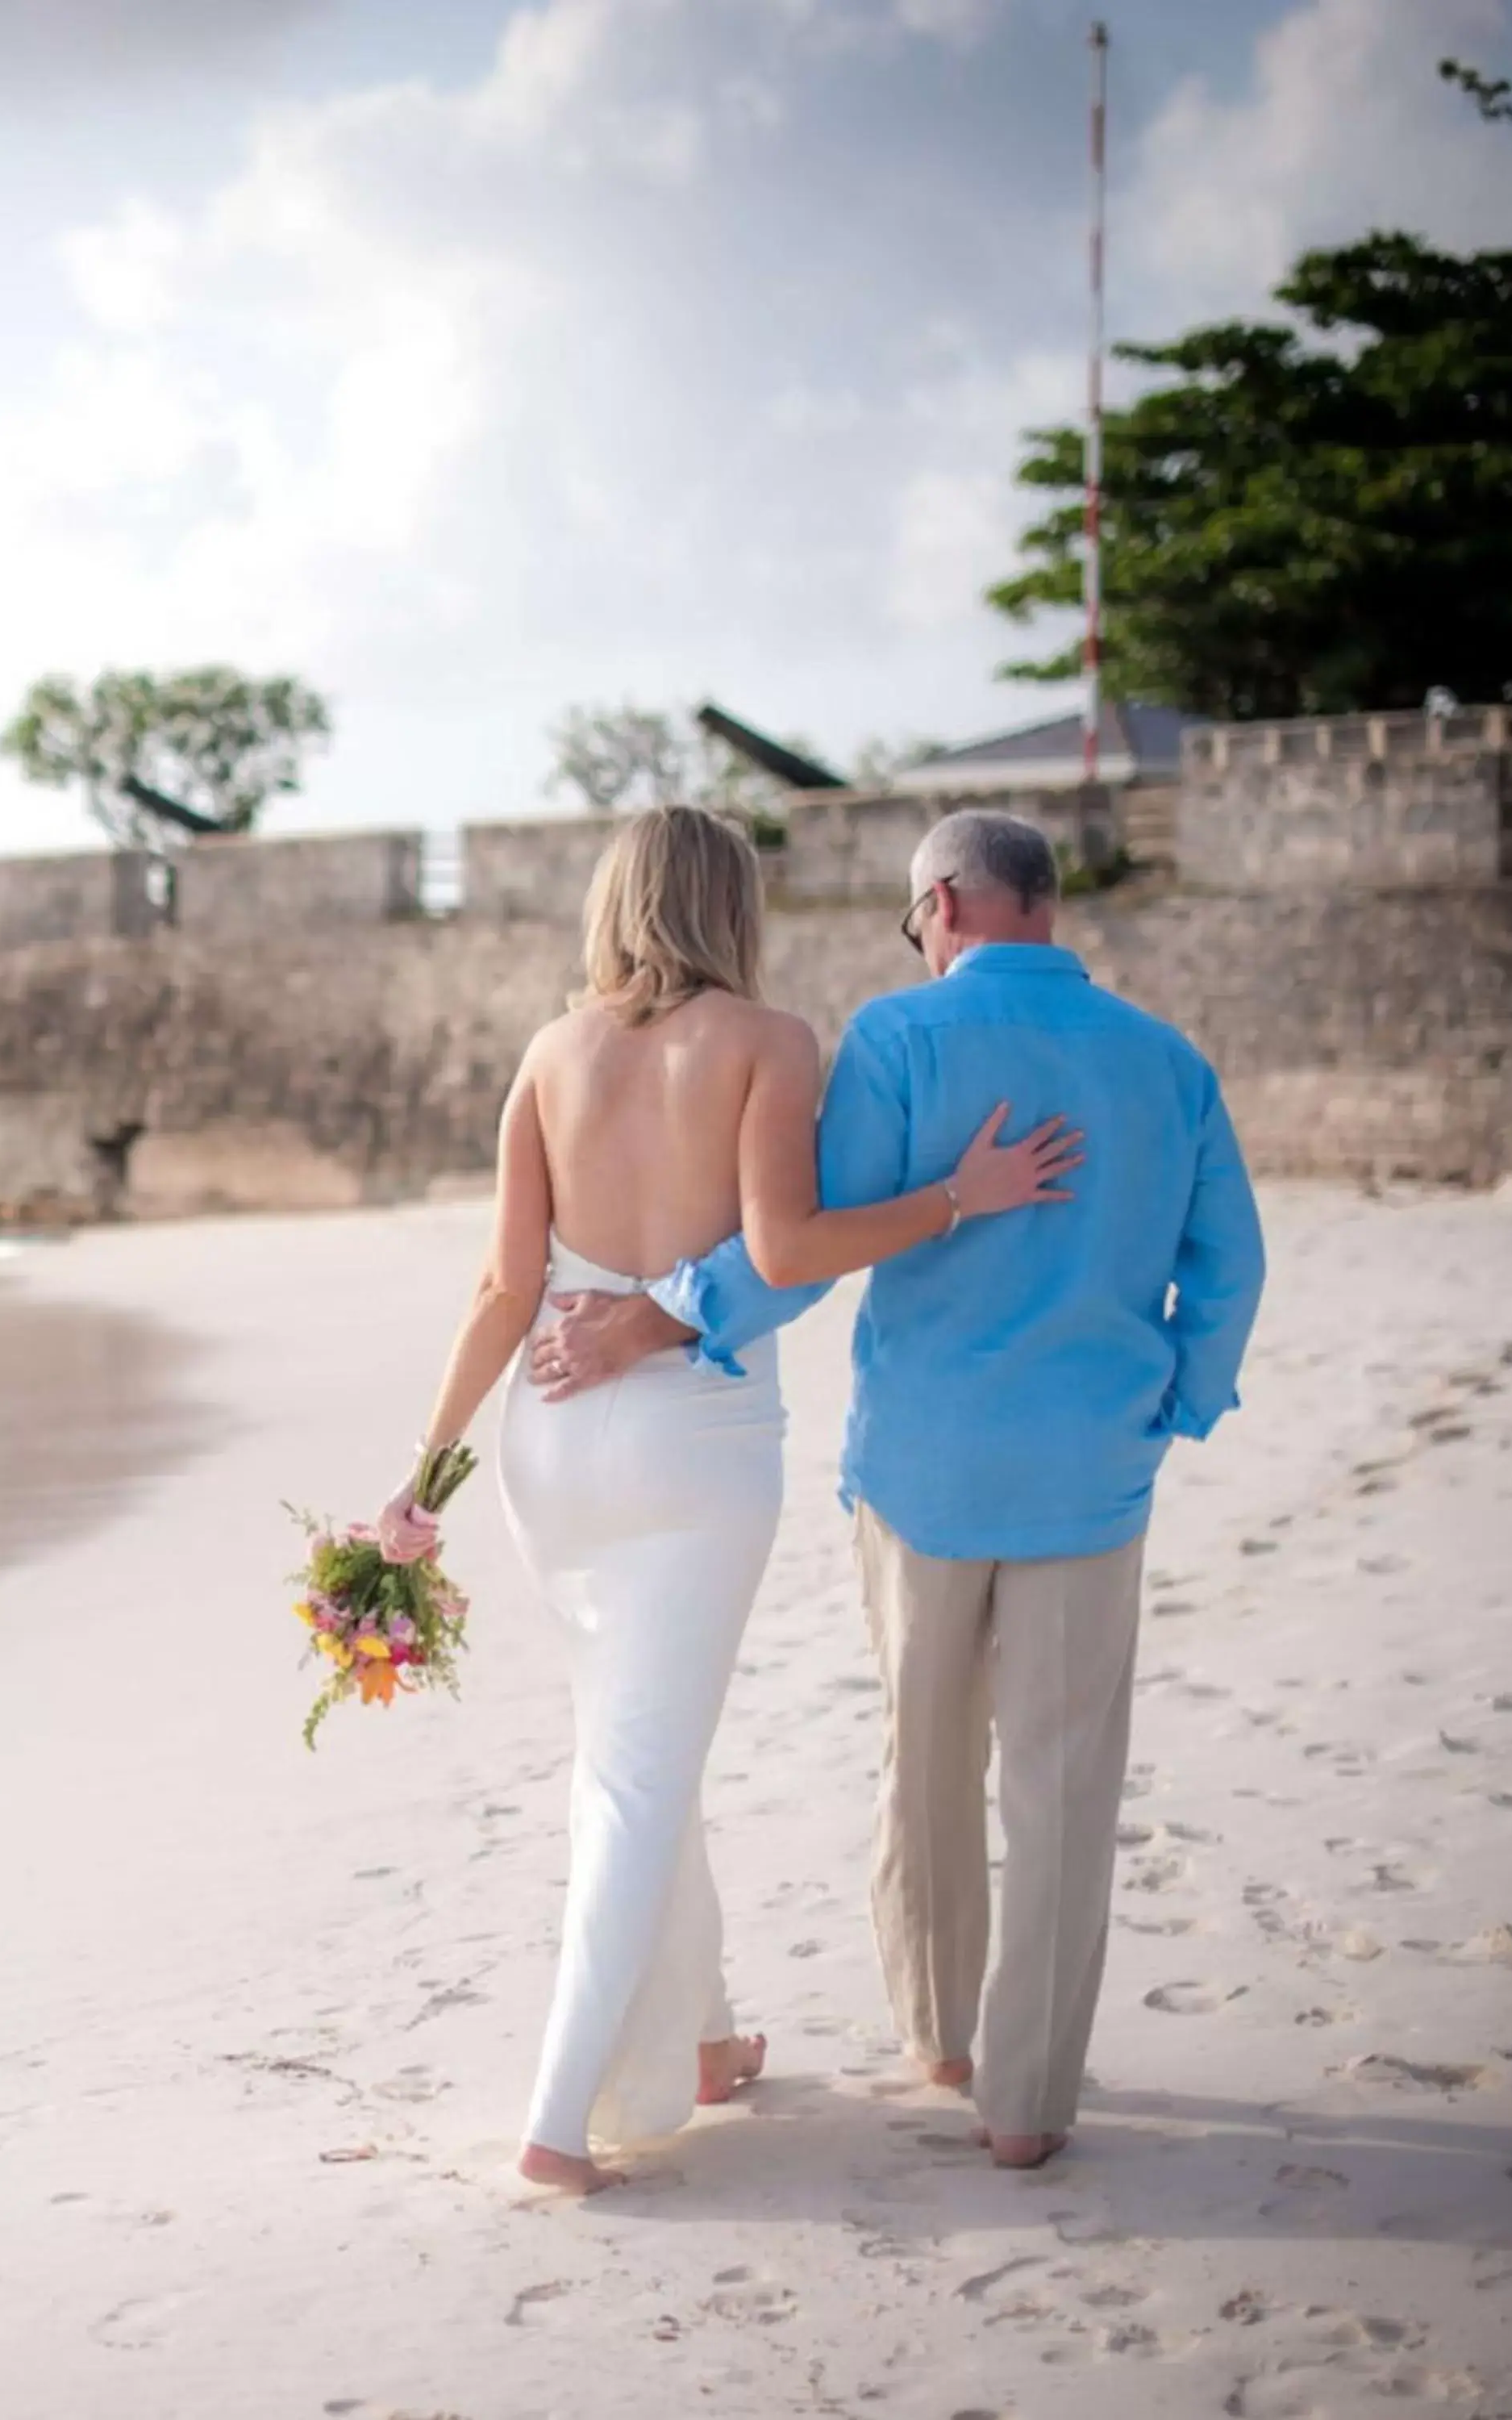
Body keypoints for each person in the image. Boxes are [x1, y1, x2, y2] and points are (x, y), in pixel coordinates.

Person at [525, 808, 1266, 2170]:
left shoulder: (902, 1040)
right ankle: (1029, 2105)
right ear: (1039, 904)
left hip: (921, 1470)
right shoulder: (1168, 1064)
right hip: (1093, 1477)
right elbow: (1229, 1268)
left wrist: (668, 1318)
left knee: (924, 1759)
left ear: (943, 904)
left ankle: (937, 2034)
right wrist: (1178, 1402)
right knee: (1062, 1784)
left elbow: (798, 1241)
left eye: (914, 919)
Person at [375, 804, 1081, 2195]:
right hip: (694, 1446)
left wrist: (424, 1476)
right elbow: (787, 1248)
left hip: (551, 1442)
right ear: (727, 904)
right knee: (636, 1773)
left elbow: (502, 1292)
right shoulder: (768, 1043)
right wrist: (960, 1196)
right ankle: (560, 2118)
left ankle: (698, 2044)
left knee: (636, 1742)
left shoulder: (550, 1054)